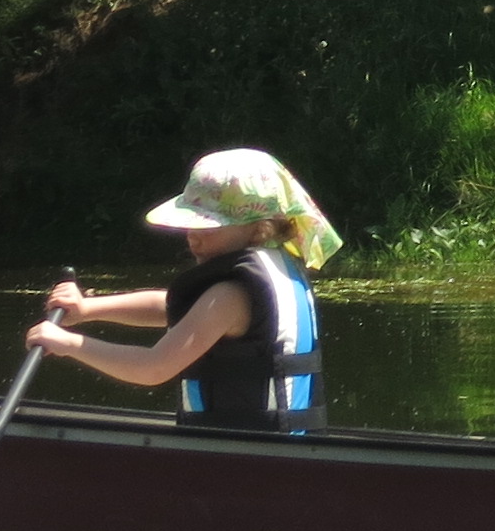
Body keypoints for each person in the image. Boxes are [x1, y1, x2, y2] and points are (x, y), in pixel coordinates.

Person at [29, 148, 339, 431]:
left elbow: (153, 368)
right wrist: (88, 309)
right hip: (280, 451)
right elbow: (168, 306)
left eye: (208, 225)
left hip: (244, 459)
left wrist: (69, 344)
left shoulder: (229, 296)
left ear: (259, 230)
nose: (193, 236)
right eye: (192, 223)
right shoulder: (278, 270)